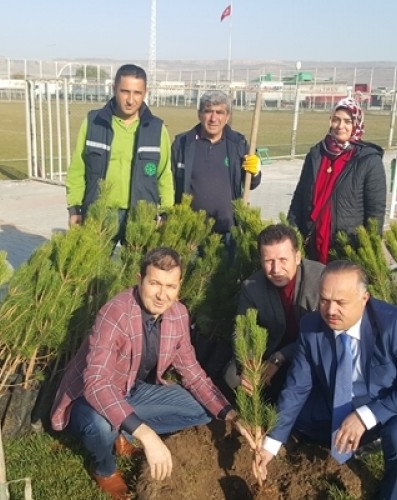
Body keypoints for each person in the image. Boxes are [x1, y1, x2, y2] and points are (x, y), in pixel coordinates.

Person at [50, 247, 250, 499]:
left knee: (202, 409)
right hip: (90, 400)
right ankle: (104, 468)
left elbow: (192, 372)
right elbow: (96, 383)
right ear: (139, 279)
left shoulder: (178, 314)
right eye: (154, 283)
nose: (162, 295)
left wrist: (230, 414)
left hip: (132, 390)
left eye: (170, 286)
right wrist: (147, 435)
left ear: (179, 286)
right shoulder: (115, 313)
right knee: (101, 426)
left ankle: (122, 430)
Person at [254, 261, 397, 500]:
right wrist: (271, 444)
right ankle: (363, 440)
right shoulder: (312, 327)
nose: (330, 311)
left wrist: (365, 416)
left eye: (341, 302)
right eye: (325, 300)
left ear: (364, 298)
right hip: (349, 393)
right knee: (301, 419)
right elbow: (297, 388)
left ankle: (393, 492)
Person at [66, 64, 173, 241]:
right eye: (125, 91)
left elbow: (164, 176)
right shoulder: (93, 123)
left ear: (145, 92)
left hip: (141, 216)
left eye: (137, 93)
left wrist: (165, 213)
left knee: (137, 268)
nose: (130, 100)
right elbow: (78, 169)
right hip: (99, 214)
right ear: (114, 89)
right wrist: (75, 209)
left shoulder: (157, 129)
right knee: (95, 268)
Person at [224, 224, 324, 399]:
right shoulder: (252, 287)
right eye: (269, 261)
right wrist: (249, 364)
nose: (276, 270)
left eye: (283, 260)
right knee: (233, 377)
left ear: (298, 257)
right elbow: (241, 330)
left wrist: (280, 357)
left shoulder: (320, 279)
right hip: (269, 351)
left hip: (310, 352)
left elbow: (322, 333)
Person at [287, 98, 386, 263]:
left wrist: (370, 252)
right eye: (336, 119)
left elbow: (375, 212)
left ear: (357, 124)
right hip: (313, 245)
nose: (340, 126)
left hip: (347, 248)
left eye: (348, 121)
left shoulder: (368, 160)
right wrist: (291, 234)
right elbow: (299, 197)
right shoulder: (316, 154)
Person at [171, 90, 261, 244]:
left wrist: (256, 172)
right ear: (199, 114)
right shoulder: (182, 144)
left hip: (228, 233)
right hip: (190, 233)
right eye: (208, 111)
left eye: (219, 112)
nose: (213, 118)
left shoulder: (238, 144)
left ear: (227, 116)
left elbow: (251, 183)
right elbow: (169, 183)